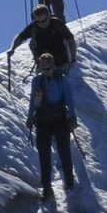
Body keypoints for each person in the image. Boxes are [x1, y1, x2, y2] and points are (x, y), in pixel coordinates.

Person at [24, 51, 78, 200]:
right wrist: (30, 117)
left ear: (53, 66)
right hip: (43, 121)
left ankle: (69, 182)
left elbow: (69, 99)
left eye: (47, 67)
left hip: (59, 119)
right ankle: (47, 187)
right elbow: (33, 101)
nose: (45, 70)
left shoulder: (62, 80)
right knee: (44, 155)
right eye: (43, 68)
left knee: (64, 152)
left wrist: (72, 116)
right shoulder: (37, 81)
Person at [9, 2, 77, 72]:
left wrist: (73, 60)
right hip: (43, 63)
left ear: (49, 16)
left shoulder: (57, 24)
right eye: (38, 21)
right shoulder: (33, 27)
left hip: (60, 61)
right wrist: (12, 49)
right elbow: (20, 37)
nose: (42, 24)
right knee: (32, 42)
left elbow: (71, 40)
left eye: (44, 21)